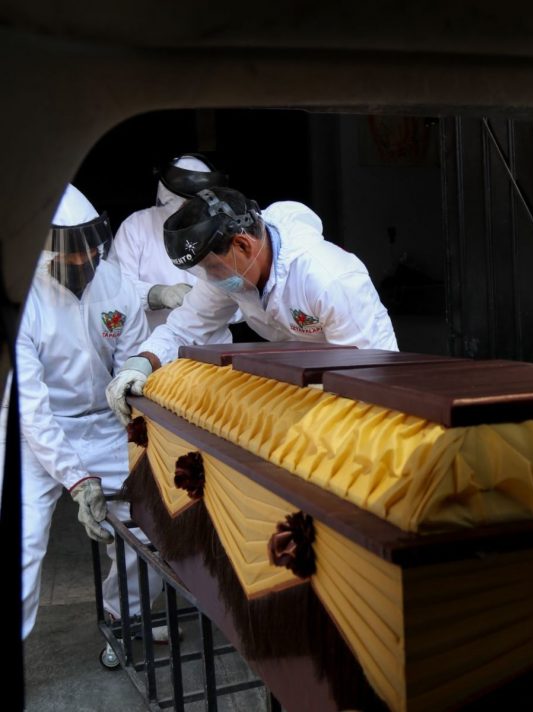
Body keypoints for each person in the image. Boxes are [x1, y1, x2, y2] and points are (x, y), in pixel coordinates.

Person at [7, 185, 164, 639]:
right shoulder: (21, 298)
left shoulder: (115, 283)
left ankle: (125, 615)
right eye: (70, 255)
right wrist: (77, 480)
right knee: (23, 544)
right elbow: (32, 409)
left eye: (89, 251)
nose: (83, 262)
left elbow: (131, 365)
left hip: (104, 422)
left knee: (146, 522)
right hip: (33, 433)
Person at [106, 187, 399, 423]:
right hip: (306, 382)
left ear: (243, 244)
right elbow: (184, 329)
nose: (210, 278)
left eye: (212, 268)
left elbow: (365, 375)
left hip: (368, 393)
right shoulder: (232, 272)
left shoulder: (328, 278)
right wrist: (141, 364)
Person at [109, 154, 229, 330]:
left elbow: (244, 295)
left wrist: (212, 303)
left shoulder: (221, 228)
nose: (190, 208)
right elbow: (116, 288)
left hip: (212, 340)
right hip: (152, 340)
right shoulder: (136, 226)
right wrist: (157, 294)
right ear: (169, 195)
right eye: (186, 202)